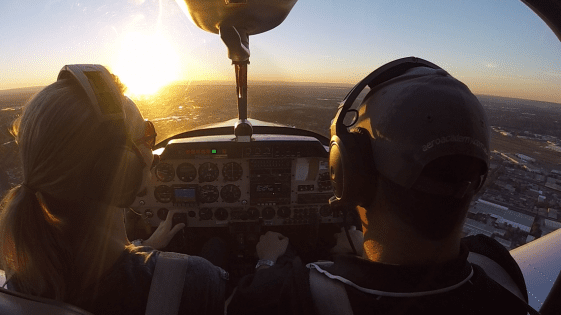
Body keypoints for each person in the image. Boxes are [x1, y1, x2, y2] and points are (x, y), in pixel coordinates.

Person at [227, 57, 531, 315]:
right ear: (477, 179)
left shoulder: (277, 297)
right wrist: (363, 249)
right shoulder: (498, 266)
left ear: (350, 175)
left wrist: (267, 260)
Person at [0, 64, 227, 314]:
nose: (152, 149)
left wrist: (145, 245)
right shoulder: (194, 281)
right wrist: (269, 263)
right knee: (217, 248)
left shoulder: (23, 280)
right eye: (147, 135)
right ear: (117, 167)